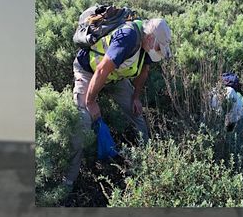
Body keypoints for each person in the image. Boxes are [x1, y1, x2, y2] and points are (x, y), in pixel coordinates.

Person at [67, 16, 172, 192]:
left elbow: (143, 72)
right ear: (150, 38)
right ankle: (67, 181)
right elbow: (102, 69)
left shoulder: (146, 46)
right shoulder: (129, 37)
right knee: (83, 121)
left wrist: (136, 97)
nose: (159, 52)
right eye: (159, 47)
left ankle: (143, 167)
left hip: (114, 78)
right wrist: (91, 101)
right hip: (89, 71)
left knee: (138, 118)